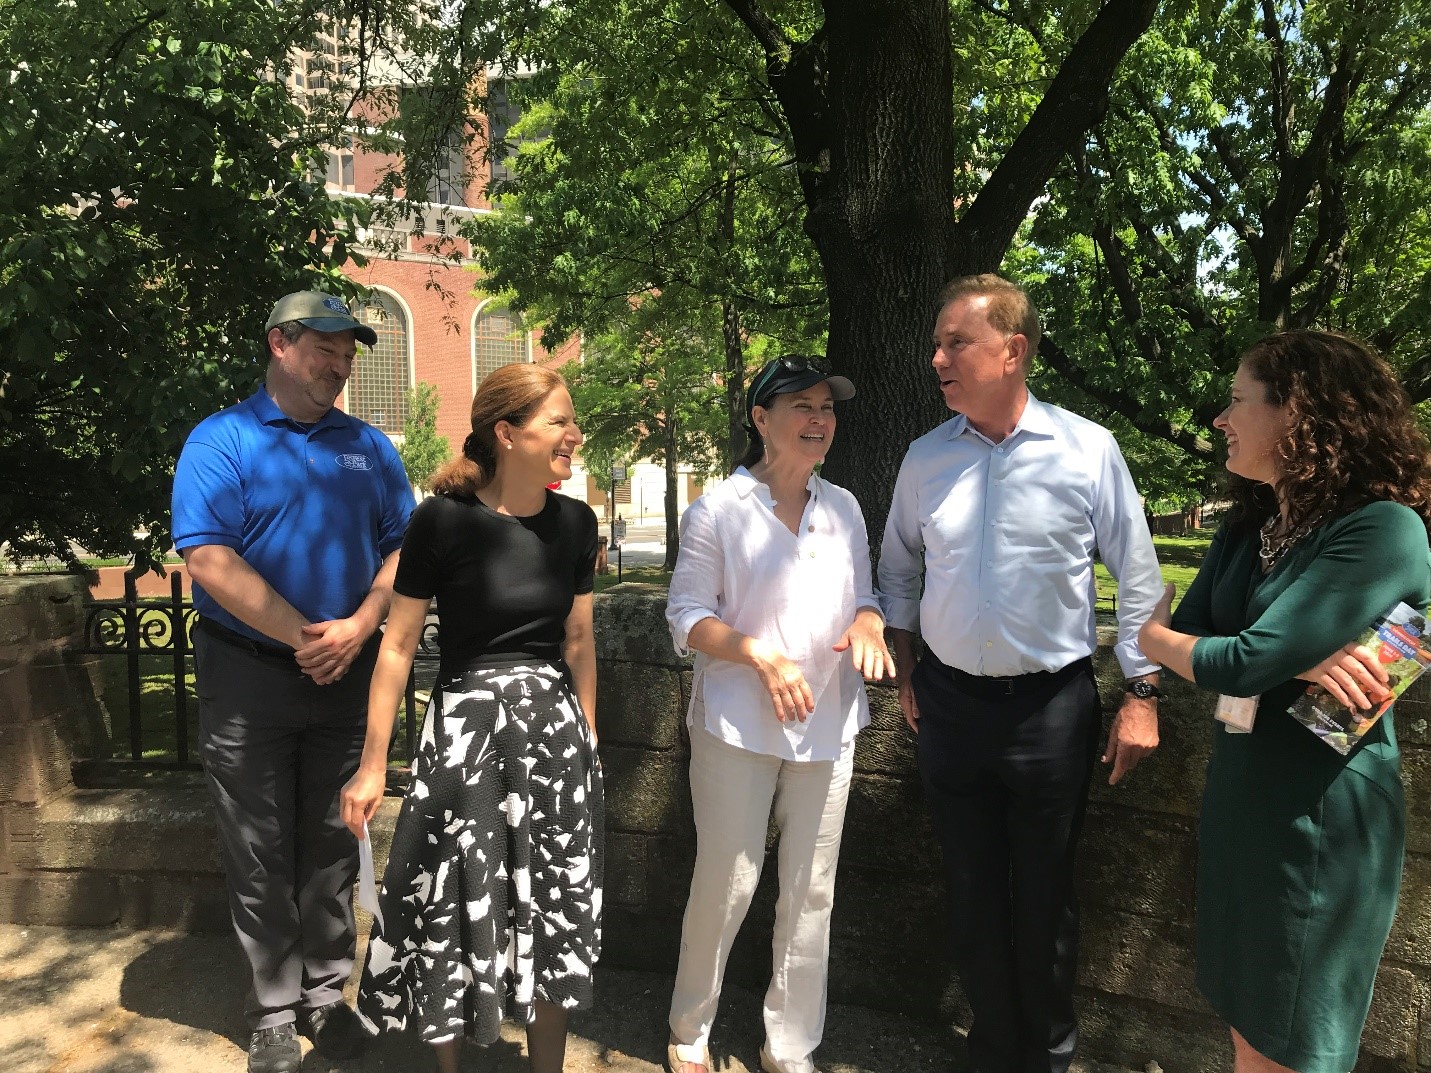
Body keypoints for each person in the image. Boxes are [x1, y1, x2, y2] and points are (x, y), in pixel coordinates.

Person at [878, 275, 1164, 1073]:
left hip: (1050, 708)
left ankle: (1046, 1055)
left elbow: (1140, 577)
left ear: (1012, 349)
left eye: (955, 342)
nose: (937, 359)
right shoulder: (924, 457)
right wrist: (904, 659)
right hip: (949, 706)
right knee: (970, 894)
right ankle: (992, 1048)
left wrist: (1141, 692)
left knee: (1045, 898)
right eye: (936, 344)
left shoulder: (1086, 449)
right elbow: (896, 567)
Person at [1137, 330, 1431, 1073]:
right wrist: (1281, 653)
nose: (1218, 418)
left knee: (1295, 1041)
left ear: (1297, 409)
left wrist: (1151, 636)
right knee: (1249, 1025)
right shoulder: (1252, 524)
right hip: (1243, 799)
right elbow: (1211, 642)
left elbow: (1237, 658)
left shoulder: (1381, 527)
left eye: (1237, 399)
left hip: (1321, 814)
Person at [171, 291, 416, 1073]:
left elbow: (404, 550)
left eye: (347, 354)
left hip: (346, 674)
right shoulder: (223, 440)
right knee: (258, 849)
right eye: (325, 349)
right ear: (280, 344)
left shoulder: (369, 448)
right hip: (248, 678)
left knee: (335, 844)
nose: (339, 365)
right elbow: (208, 556)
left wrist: (362, 622)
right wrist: (305, 637)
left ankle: (324, 994)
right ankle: (274, 1010)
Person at [340, 363, 602, 1073]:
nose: (574, 434)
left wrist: (589, 737)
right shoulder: (442, 520)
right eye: (558, 421)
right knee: (451, 897)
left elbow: (579, 641)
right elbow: (397, 645)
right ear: (507, 432)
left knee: (554, 903)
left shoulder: (577, 523)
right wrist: (372, 764)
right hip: (464, 739)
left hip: (553, 742)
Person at [663, 355, 895, 1073]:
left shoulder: (844, 507)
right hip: (737, 726)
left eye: (827, 406)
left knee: (811, 890)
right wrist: (761, 655)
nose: (819, 419)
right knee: (727, 882)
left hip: (828, 724)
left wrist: (868, 624)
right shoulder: (718, 510)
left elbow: (866, 597)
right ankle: (690, 1027)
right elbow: (686, 617)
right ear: (760, 419)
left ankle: (789, 1044)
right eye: (802, 406)